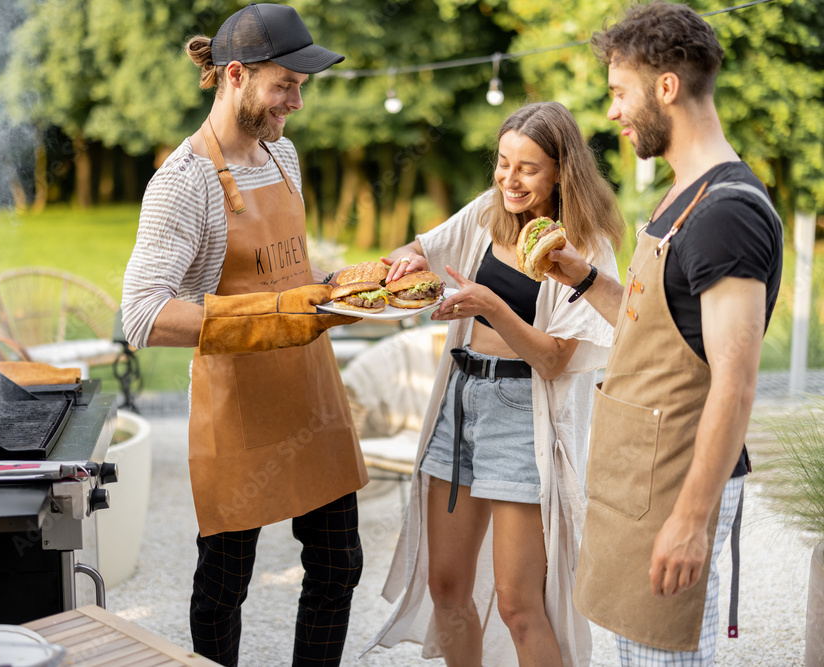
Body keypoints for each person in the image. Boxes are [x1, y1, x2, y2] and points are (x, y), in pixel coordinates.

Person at [120, 5, 369, 666]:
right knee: (224, 586)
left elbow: (291, 273)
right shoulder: (184, 180)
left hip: (311, 392)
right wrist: (269, 316)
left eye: (301, 86)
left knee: (339, 565)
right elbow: (141, 313)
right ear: (235, 75)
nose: (298, 100)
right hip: (239, 407)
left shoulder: (282, 153)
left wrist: (353, 288)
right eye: (286, 84)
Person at [545, 2, 784, 664]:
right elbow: (660, 325)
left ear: (667, 88)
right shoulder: (684, 196)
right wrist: (584, 276)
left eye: (620, 92)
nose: (613, 111)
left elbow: (734, 384)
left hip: (678, 487)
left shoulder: (728, 214)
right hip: (640, 484)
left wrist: (690, 519)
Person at [364, 101, 625, 666]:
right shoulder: (488, 212)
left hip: (518, 413)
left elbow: (555, 361)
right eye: (503, 163)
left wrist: (494, 308)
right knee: (446, 589)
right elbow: (422, 247)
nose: (510, 178)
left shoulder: (585, 246)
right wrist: (408, 261)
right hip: (458, 402)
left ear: (561, 171)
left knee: (518, 604)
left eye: (528, 168)